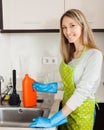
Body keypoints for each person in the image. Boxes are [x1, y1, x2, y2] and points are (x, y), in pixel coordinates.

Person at [29, 9, 103, 130]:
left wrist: (52, 120)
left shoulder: (94, 55)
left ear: (82, 26)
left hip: (81, 114)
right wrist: (50, 86)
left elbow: (82, 91)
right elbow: (70, 83)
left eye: (72, 26)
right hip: (66, 112)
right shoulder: (71, 54)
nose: (67, 32)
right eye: (64, 27)